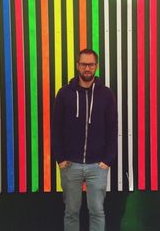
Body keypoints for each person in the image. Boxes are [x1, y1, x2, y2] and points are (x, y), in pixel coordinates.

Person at [52, 49, 118, 231]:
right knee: (71, 211)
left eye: (90, 64)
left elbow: (113, 129)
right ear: (77, 66)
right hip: (70, 165)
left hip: (98, 166)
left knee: (97, 211)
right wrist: (61, 159)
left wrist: (107, 160)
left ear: (96, 67)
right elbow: (56, 128)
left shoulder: (106, 94)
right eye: (83, 64)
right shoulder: (64, 93)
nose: (87, 68)